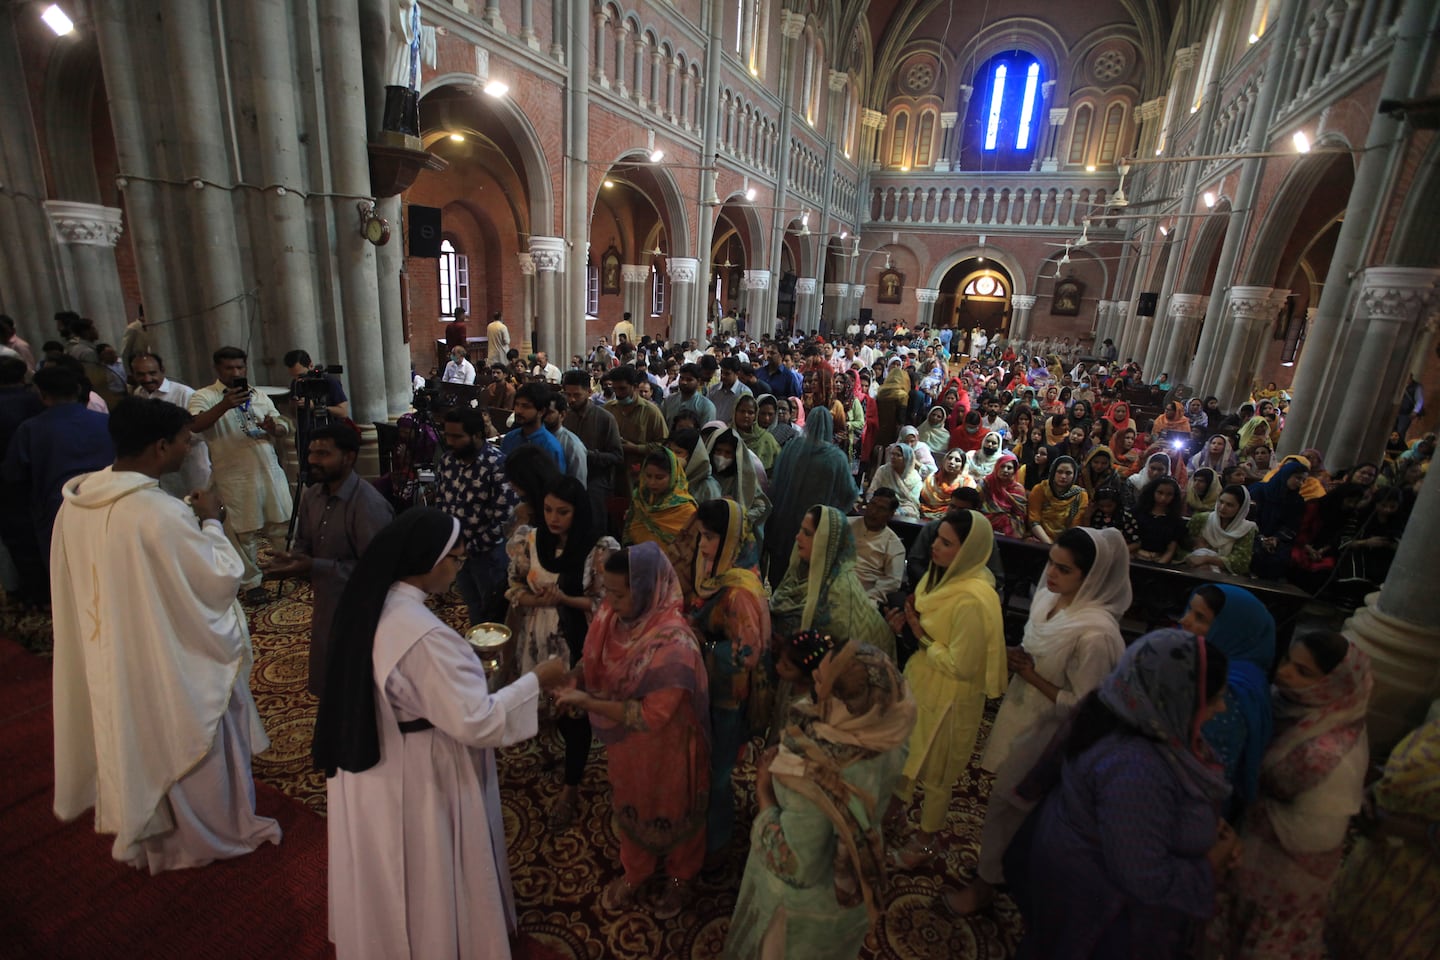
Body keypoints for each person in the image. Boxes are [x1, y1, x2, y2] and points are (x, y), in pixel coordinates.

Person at [315, 508, 570, 960]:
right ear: (430, 560)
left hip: (370, 756)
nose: (459, 567)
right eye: (456, 558)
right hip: (415, 771)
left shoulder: (372, 603)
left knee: (383, 869)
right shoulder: (424, 636)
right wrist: (539, 679)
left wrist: (461, 669)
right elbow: (478, 721)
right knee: (423, 870)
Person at [52, 397, 282, 872]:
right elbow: (219, 580)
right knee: (187, 730)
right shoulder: (157, 513)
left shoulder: (75, 506)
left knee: (135, 733)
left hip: (113, 649)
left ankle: (157, 829)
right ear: (160, 446)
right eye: (184, 439)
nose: (188, 445)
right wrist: (213, 520)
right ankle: (210, 833)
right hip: (166, 655)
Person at [1006, 629, 1237, 960]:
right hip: (1101, 910)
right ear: (1176, 698)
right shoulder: (1137, 767)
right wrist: (1211, 863)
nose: (1221, 707)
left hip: (1068, 870)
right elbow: (1143, 877)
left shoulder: (1120, 705)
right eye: (1213, 698)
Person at [943, 527, 1131, 916]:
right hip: (1022, 713)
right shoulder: (1051, 599)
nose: (1051, 575)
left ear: (1090, 577)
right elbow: (1034, 651)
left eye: (1064, 570)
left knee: (1012, 806)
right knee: (1008, 802)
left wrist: (1030, 675)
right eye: (1051, 562)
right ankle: (1000, 874)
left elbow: (1085, 704)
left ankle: (988, 884)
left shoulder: (1096, 634)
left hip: (1052, 732)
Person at [723, 634, 917, 960]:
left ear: (844, 701)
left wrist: (764, 792)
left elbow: (796, 865)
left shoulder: (816, 765)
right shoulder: (888, 726)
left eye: (821, 681)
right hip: (847, 890)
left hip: (802, 912)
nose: (814, 685)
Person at [555, 542, 711, 911]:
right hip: (628, 745)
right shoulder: (613, 616)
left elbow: (649, 716)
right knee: (631, 803)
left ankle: (680, 875)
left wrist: (586, 702)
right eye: (607, 590)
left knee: (675, 809)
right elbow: (593, 657)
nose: (610, 600)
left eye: (620, 593)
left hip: (668, 745)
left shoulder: (674, 644)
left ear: (647, 590)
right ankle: (636, 872)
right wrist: (573, 677)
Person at [1213, 632, 1372, 959]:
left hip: (1287, 865)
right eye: (1287, 660)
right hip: (1251, 840)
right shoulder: (1291, 705)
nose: (1284, 672)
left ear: (1333, 684)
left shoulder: (1327, 747)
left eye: (1303, 672)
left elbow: (1308, 818)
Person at [888, 510, 1006, 866]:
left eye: (946, 543)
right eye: (937, 537)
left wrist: (921, 635)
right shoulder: (942, 579)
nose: (934, 546)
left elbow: (961, 664)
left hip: (952, 696)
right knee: (907, 752)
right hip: (924, 680)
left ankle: (926, 840)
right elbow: (925, 616)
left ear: (968, 551)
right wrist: (910, 623)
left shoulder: (973, 597)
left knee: (938, 771)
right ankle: (897, 811)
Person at [505, 476, 619, 828]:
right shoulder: (530, 540)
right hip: (537, 636)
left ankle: (570, 786)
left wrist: (564, 599)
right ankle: (550, 752)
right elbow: (513, 585)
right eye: (549, 510)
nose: (554, 518)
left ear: (578, 511)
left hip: (577, 641)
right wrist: (531, 599)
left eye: (563, 512)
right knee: (542, 701)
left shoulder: (597, 549)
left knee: (575, 713)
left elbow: (608, 601)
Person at [266, 424, 394, 696]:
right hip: (327, 605)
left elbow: (377, 573)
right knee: (333, 682)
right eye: (312, 452)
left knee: (361, 688)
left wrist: (314, 566)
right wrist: (293, 560)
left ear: (349, 457)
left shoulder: (367, 505)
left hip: (364, 613)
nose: (313, 460)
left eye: (323, 453)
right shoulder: (312, 495)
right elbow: (304, 545)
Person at [681, 499, 770, 869]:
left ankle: (717, 843)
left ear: (731, 538)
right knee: (698, 765)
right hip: (705, 688)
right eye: (701, 536)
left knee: (717, 773)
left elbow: (747, 654)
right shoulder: (713, 571)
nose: (702, 545)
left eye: (711, 537)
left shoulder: (738, 592)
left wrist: (702, 642)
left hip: (726, 699)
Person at [1326, 704, 1440, 959]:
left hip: (1420, 897)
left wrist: (1394, 826)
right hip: (1376, 868)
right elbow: (1403, 774)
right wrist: (1371, 795)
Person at [187, 346, 293, 603]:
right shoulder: (204, 396)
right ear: (218, 369)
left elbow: (283, 425)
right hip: (234, 475)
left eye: (240, 368)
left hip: (268, 470)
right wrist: (225, 404)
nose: (235, 372)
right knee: (243, 532)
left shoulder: (259, 395)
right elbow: (195, 425)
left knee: (281, 523)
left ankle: (286, 568)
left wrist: (275, 427)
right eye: (229, 368)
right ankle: (251, 582)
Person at [3, 365, 114, 565]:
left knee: (69, 577)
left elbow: (14, 476)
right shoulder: (109, 422)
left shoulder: (30, 430)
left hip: (58, 514)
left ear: (42, 395)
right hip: (109, 506)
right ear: (79, 390)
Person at [771, 505, 897, 659]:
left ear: (826, 543)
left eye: (807, 533)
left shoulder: (839, 593)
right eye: (800, 530)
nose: (798, 537)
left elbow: (833, 656)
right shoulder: (800, 573)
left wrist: (788, 646)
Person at [434, 407, 519, 625]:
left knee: (494, 610)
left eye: (457, 436)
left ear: (478, 435)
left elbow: (504, 519)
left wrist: (468, 548)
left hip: (489, 555)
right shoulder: (447, 462)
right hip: (458, 554)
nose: (450, 442)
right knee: (472, 605)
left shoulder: (498, 464)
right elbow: (442, 502)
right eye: (447, 435)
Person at [767, 408, 860, 584]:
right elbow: (849, 494)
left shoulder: (791, 448)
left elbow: (777, 483)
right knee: (806, 580)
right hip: (815, 529)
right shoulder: (835, 458)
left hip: (783, 526)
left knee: (780, 576)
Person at [130, 352, 211, 497]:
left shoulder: (184, 394)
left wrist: (172, 441)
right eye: (141, 374)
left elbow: (200, 430)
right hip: (162, 466)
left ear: (163, 370)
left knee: (199, 502)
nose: (147, 379)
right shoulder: (138, 394)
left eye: (152, 373)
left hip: (191, 462)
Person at [561, 369, 623, 532]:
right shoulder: (566, 416)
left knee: (593, 524)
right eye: (568, 395)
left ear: (589, 392)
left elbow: (617, 456)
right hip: (569, 474)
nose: (571, 400)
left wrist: (586, 455)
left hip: (596, 477)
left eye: (576, 395)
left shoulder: (605, 418)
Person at [604, 366, 669, 492]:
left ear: (634, 387)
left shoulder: (651, 412)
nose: (618, 394)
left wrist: (635, 448)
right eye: (615, 389)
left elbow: (663, 445)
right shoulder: (608, 409)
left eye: (622, 389)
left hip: (640, 476)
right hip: (611, 473)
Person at [623, 448, 698, 549]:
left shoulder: (686, 510)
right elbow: (630, 530)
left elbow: (690, 549)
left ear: (673, 477)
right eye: (648, 476)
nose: (652, 482)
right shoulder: (640, 497)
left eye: (659, 477)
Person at [1249, 459, 1309, 580]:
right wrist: (1261, 537)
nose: (1300, 483)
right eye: (1297, 478)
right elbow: (1249, 517)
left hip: (1277, 540)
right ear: (1286, 474)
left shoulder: (1297, 500)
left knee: (1278, 556)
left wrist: (1276, 538)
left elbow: (1292, 526)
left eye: (1303, 480)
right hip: (1251, 534)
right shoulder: (1259, 490)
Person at [1183, 484, 1258, 576]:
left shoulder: (1246, 529)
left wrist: (1207, 559)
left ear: (1241, 508)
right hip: (1193, 570)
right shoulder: (1200, 520)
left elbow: (1241, 563)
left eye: (1229, 505)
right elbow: (1184, 547)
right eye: (1221, 502)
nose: (1222, 508)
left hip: (1229, 577)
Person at [848, 489, 906, 602]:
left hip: (864, 596)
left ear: (891, 514)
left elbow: (892, 582)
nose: (873, 511)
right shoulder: (845, 524)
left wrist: (866, 598)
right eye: (872, 504)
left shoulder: (894, 545)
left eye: (881, 509)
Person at [499, 382, 566, 471]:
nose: (518, 411)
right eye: (517, 404)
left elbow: (555, 483)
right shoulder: (510, 438)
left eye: (525, 406)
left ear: (541, 411)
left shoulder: (550, 447)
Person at [1027, 454, 1088, 543]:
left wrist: (1060, 546)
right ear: (1053, 472)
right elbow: (1034, 520)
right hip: (1038, 537)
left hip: (1066, 542)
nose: (1063, 476)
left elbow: (1075, 527)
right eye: (1059, 472)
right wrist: (1048, 543)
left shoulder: (1080, 495)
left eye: (1068, 473)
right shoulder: (1040, 489)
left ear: (1074, 475)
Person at [1133, 476, 1185, 563]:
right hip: (1133, 558)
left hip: (1160, 562)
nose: (1163, 498)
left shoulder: (1175, 520)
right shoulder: (1137, 512)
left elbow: (1170, 551)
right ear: (1152, 492)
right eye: (1160, 493)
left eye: (1169, 494)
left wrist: (1158, 567)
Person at [980, 452, 1029, 538]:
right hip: (985, 519)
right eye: (1002, 466)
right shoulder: (986, 483)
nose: (1005, 470)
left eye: (1009, 468)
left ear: (1014, 471)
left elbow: (1020, 513)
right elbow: (977, 504)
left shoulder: (1018, 489)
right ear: (997, 467)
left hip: (1009, 524)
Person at [868, 443, 923, 519]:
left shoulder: (915, 478)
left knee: (910, 512)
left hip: (905, 507)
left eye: (898, 455)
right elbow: (873, 490)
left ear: (907, 458)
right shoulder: (883, 470)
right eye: (892, 454)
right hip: (883, 502)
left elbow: (914, 501)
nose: (893, 457)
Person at [731, 394, 780, 473]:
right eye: (742, 411)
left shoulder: (767, 439)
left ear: (755, 415)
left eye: (750, 413)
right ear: (735, 412)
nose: (746, 415)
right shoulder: (726, 435)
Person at [919, 448, 971, 518]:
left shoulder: (967, 483)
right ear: (944, 460)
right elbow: (923, 501)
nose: (952, 462)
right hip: (927, 513)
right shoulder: (932, 479)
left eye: (957, 460)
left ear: (962, 466)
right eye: (949, 458)